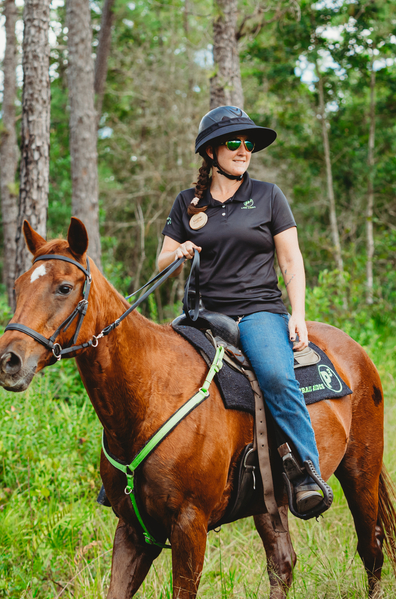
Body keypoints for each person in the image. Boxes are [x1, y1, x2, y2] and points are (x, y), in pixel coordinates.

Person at [157, 105, 331, 517]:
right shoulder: (188, 203)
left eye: (248, 143)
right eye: (233, 143)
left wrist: (298, 313)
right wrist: (177, 251)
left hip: (257, 312)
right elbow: (161, 260)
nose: (243, 150)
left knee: (274, 374)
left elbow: (291, 262)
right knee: (155, 370)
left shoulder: (269, 196)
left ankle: (308, 472)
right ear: (211, 152)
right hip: (203, 315)